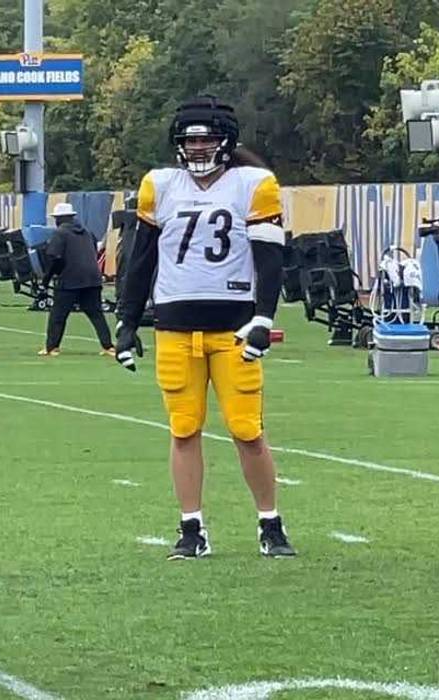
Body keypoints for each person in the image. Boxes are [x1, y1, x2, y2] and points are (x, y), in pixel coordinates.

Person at [116, 95, 297, 560]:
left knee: (247, 428)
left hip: (233, 326)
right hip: (174, 325)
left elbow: (270, 258)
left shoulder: (253, 184)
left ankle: (269, 523)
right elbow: (141, 257)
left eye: (206, 139)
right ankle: (191, 527)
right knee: (183, 428)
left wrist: (263, 317)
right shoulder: (160, 184)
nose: (197, 148)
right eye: (190, 141)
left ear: (226, 141)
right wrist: (126, 321)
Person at [39, 202, 115, 357]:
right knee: (96, 313)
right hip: (92, 278)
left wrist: (47, 279)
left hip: (70, 279)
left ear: (60, 219)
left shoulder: (60, 233)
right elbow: (93, 250)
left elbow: (54, 258)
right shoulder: (87, 231)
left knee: (58, 315)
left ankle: (52, 347)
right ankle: (108, 347)